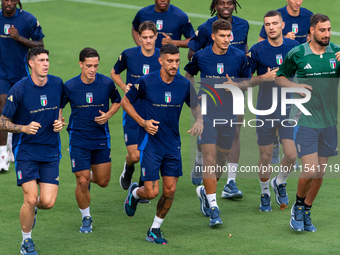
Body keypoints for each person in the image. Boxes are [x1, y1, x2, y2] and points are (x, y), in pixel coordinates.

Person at [122, 44, 203, 244]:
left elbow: (196, 107)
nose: (174, 65)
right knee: (151, 192)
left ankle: (154, 229)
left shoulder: (184, 85)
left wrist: (199, 120)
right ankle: (134, 193)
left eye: (177, 61)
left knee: (170, 190)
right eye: (170, 61)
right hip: (151, 144)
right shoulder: (145, 82)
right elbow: (125, 102)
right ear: (160, 61)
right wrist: (143, 122)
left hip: (173, 144)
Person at [276, 14, 340, 232]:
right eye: (322, 30)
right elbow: (280, 77)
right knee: (310, 170)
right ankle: (298, 206)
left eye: (329, 29)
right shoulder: (298, 53)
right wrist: (295, 88)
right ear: (312, 31)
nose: (327, 34)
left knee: (320, 174)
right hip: (306, 120)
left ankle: (307, 209)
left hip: (330, 122)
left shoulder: (337, 53)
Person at [185, 19, 251, 226]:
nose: (226, 39)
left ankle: (205, 192)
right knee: (210, 159)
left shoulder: (239, 57)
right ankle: (214, 208)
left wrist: (236, 85)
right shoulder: (201, 56)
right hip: (208, 115)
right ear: (213, 36)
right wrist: (195, 103)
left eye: (228, 35)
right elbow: (188, 75)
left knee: (221, 159)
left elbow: (248, 82)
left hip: (229, 115)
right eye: (222, 36)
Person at [0, 47, 65, 255]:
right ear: (31, 64)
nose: (46, 64)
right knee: (29, 198)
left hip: (50, 150)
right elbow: (2, 122)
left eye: (47, 59)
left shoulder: (57, 83)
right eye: (41, 60)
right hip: (26, 150)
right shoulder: (19, 89)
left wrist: (60, 122)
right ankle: (26, 242)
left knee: (47, 202)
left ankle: (33, 210)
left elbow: (59, 108)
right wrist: (24, 128)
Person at [61, 47, 121, 233]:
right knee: (82, 181)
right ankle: (86, 217)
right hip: (78, 138)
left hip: (100, 137)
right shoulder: (70, 86)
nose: (92, 69)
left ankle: (86, 174)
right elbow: (59, 105)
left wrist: (108, 115)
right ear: (80, 64)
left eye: (95, 65)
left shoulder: (106, 83)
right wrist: (59, 118)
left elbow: (118, 101)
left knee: (103, 181)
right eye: (88, 65)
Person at [247, 10, 299, 211]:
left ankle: (279, 181)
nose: (271, 27)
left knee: (291, 155)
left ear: (282, 25)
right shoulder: (257, 50)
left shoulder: (295, 47)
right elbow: (245, 82)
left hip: (289, 109)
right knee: (266, 156)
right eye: (267, 24)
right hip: (266, 109)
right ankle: (265, 193)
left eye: (275, 23)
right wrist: (263, 78)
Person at [111, 21, 161, 203]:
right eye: (144, 37)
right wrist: (124, 87)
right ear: (139, 37)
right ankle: (129, 167)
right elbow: (114, 72)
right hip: (132, 111)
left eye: (151, 37)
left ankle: (142, 185)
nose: (148, 41)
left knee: (148, 152)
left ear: (156, 36)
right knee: (135, 155)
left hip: (152, 112)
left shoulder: (162, 57)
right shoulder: (129, 55)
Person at [258, 0, 313, 164]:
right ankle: (275, 145)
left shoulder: (309, 16)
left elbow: (312, 40)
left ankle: (289, 151)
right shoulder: (276, 16)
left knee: (293, 113)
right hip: (274, 77)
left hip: (297, 69)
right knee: (274, 112)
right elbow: (262, 42)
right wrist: (284, 39)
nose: (298, 2)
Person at [0, 0, 44, 170]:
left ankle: (11, 142)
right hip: (1, 74)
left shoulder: (28, 20)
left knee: (17, 111)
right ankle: (2, 155)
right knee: (3, 105)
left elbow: (40, 44)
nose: (8, 3)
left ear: (17, 1)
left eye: (12, 0)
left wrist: (19, 38)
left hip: (21, 73)